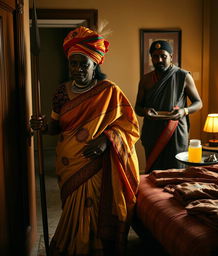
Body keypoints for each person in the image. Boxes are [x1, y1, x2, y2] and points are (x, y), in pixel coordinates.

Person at [30, 26, 140, 256]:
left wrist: (105, 141)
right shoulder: (62, 92)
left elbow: (129, 127)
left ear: (95, 65)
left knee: (94, 207)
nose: (77, 69)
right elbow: (55, 126)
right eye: (73, 63)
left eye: (84, 64)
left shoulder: (110, 91)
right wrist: (41, 126)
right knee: (73, 208)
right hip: (69, 163)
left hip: (98, 163)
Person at [135, 40, 203, 173]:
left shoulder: (183, 76)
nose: (159, 60)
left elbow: (198, 103)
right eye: (155, 56)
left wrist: (184, 111)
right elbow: (137, 107)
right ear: (151, 58)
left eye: (163, 56)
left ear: (171, 57)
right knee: (154, 173)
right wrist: (145, 110)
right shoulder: (145, 80)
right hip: (152, 132)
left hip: (175, 131)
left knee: (176, 171)